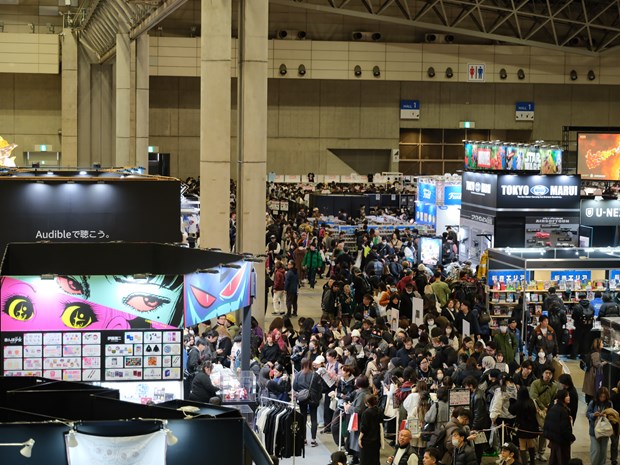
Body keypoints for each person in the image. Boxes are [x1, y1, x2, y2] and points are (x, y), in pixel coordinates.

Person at [293, 357, 323, 447]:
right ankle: (313, 440)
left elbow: (295, 387)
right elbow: (320, 388)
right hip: (313, 398)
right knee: (314, 418)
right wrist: (318, 397)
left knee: (303, 418)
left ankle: (304, 439)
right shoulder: (315, 375)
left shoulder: (298, 375)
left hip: (302, 399)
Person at [529, 366, 557, 462]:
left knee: (544, 434)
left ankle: (541, 453)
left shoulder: (554, 386)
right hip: (535, 411)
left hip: (547, 413)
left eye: (550, 373)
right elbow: (533, 396)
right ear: (542, 373)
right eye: (546, 373)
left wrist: (549, 408)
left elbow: (554, 398)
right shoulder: (535, 383)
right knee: (534, 433)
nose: (548, 375)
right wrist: (542, 407)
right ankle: (533, 453)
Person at [462, 376, 490, 464]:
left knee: (478, 448)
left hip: (478, 427)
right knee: (478, 447)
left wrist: (473, 428)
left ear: (470, 385)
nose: (465, 388)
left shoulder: (477, 397)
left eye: (466, 386)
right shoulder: (478, 393)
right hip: (479, 425)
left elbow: (478, 415)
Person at [543, 389, 575, 465]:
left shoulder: (553, 408)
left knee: (554, 460)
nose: (569, 397)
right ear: (562, 397)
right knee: (563, 461)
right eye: (567, 396)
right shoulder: (563, 411)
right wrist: (571, 437)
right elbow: (564, 429)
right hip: (562, 442)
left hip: (554, 441)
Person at [509, 387, 539, 465]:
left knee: (522, 445)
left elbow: (512, 411)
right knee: (531, 444)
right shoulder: (531, 401)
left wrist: (511, 402)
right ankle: (532, 462)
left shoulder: (518, 403)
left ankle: (524, 463)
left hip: (521, 427)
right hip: (532, 427)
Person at [587, 387, 614, 465]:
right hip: (594, 430)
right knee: (595, 450)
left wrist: (607, 416)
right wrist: (593, 415)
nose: (602, 398)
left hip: (605, 430)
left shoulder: (609, 403)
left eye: (604, 397)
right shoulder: (593, 402)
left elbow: (612, 415)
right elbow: (588, 413)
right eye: (601, 396)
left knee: (603, 451)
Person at [359, 394, 384, 465]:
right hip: (376, 438)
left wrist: (360, 438)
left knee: (365, 459)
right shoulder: (379, 410)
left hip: (367, 439)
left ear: (367, 403)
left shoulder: (366, 413)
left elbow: (364, 427)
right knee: (375, 458)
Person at [583, 338, 608, 404]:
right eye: (601, 343)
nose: (603, 344)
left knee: (589, 390)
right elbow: (597, 364)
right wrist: (605, 362)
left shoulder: (592, 351)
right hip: (593, 373)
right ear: (598, 344)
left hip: (590, 373)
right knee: (591, 390)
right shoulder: (596, 353)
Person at [571, 292, 595, 359]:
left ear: (579, 298)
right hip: (588, 326)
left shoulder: (577, 306)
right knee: (586, 341)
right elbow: (593, 314)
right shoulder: (591, 306)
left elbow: (573, 316)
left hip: (579, 326)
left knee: (576, 341)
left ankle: (574, 355)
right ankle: (585, 355)